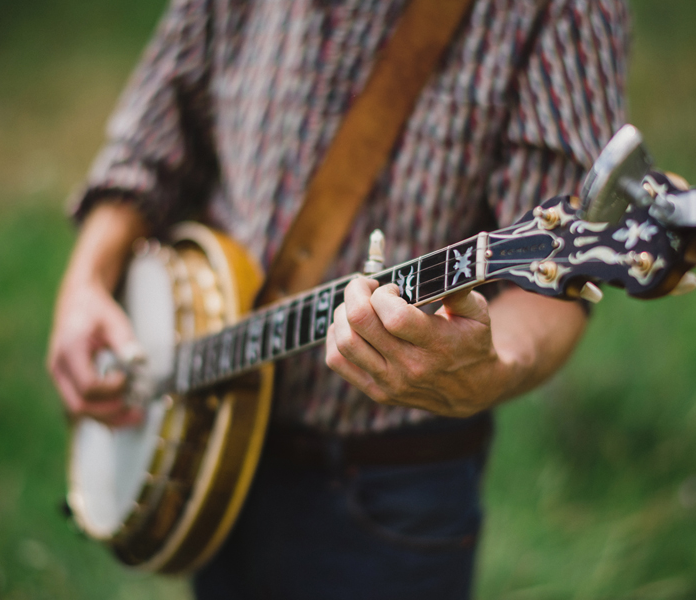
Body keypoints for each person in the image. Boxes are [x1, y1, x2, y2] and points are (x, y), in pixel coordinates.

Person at [47, 0, 630, 598]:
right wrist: (86, 281)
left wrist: (493, 369)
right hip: (208, 450)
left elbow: (554, 281)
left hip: (387, 488)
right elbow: (152, 140)